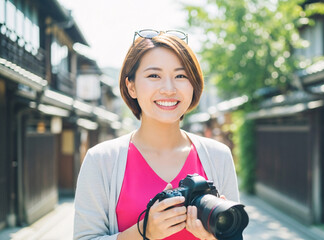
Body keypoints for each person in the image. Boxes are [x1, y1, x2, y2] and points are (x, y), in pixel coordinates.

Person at [73, 29, 240, 240]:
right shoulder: (101, 160)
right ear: (131, 86)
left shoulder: (218, 156)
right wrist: (144, 232)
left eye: (181, 76)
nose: (169, 89)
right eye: (154, 75)